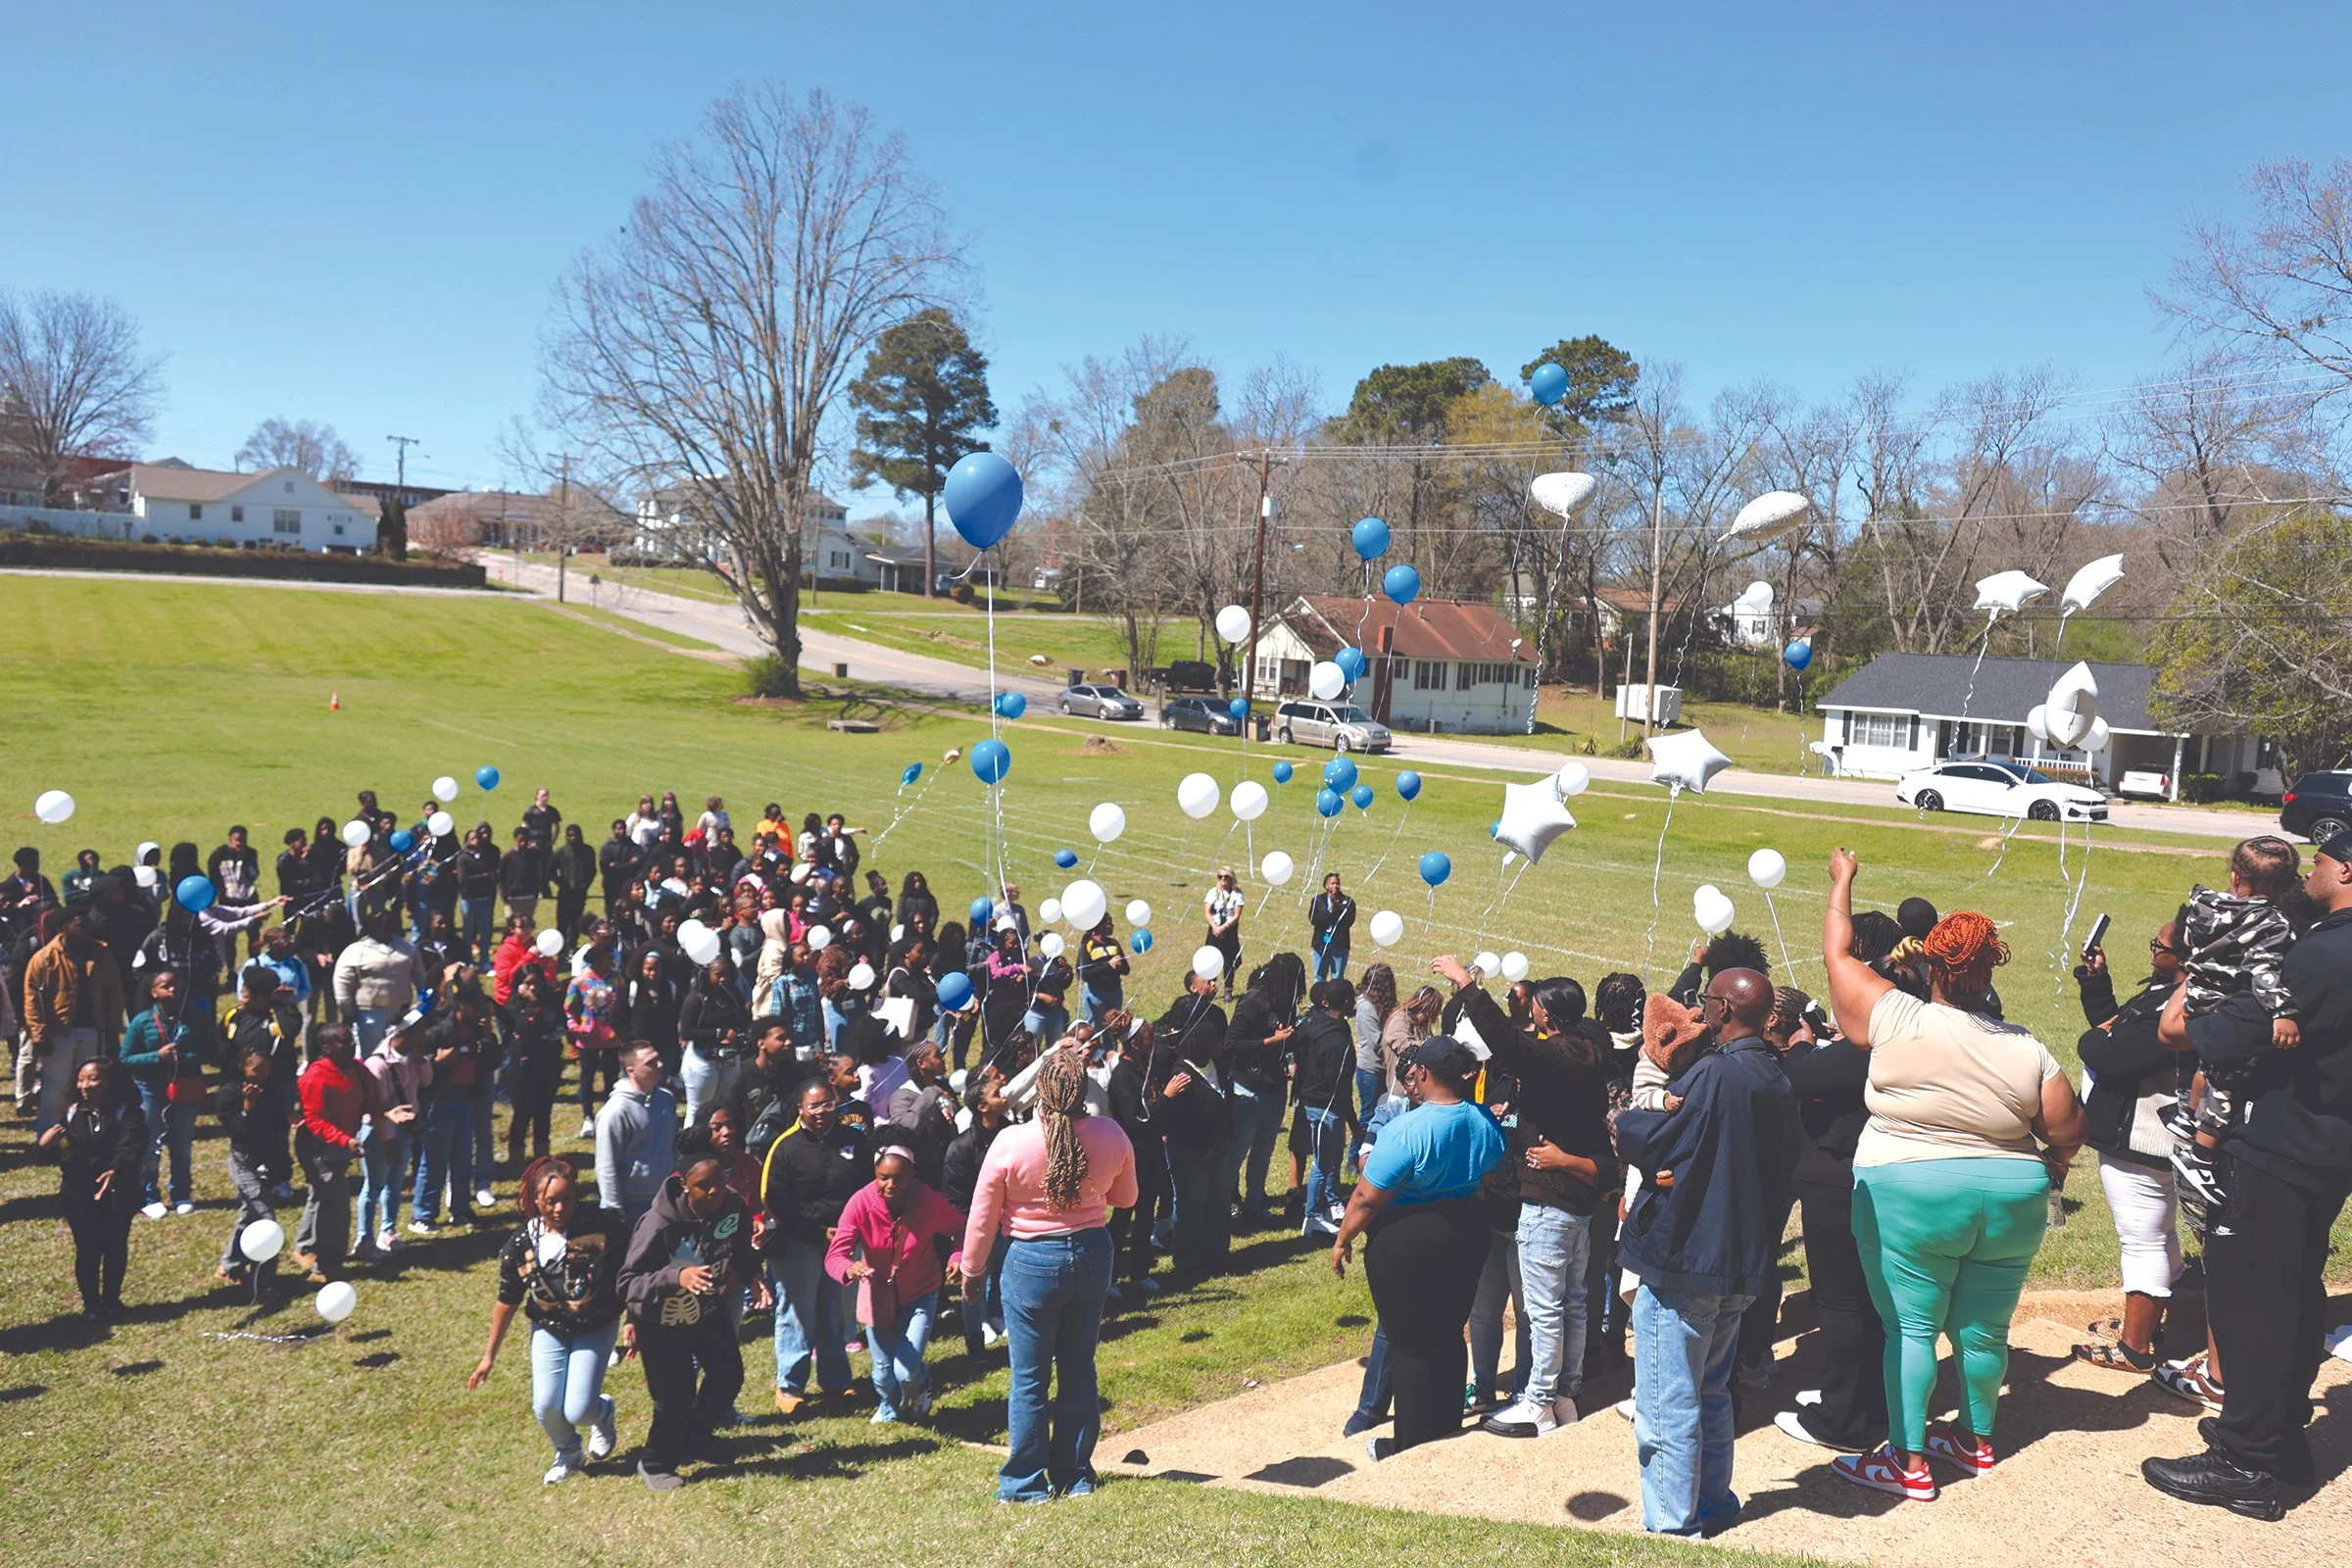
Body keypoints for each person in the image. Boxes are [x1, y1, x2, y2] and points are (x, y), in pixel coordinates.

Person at [1820, 848, 2082, 1503]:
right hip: (2014, 1196)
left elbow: (1838, 955)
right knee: (1985, 1329)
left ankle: (1908, 1464)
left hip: (1909, 1190)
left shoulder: (1895, 1013)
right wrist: (2055, 1166)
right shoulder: (2027, 1045)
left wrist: (1844, 881)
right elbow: (2069, 1125)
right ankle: (1975, 1441)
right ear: (1992, 968)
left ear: (1932, 963)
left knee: (1910, 1329)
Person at [2143, 830, 2352, 1519]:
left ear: (2346, 870)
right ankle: (2275, 1439)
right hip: (2327, 1147)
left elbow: (2203, 1034)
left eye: (2321, 859)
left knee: (2251, 1306)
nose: (2310, 868)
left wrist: (2188, 997)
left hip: (2278, 1148)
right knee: (2291, 1297)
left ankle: (2247, 1463)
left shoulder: (2322, 952)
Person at [1610, 966, 1801, 1536]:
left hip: (1689, 1256)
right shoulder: (1776, 1074)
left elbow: (1658, 1137)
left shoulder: (1715, 1073)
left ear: (1722, 1010)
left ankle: (1672, 1526)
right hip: (1742, 1260)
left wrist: (1626, 1122)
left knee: (1668, 1404)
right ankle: (1713, 1502)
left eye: (1705, 1003)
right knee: (1712, 1393)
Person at [1438, 960, 1615, 1440]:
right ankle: (1566, 1395)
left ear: (1550, 1017)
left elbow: (1510, 1045)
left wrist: (1468, 987)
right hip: (1579, 1202)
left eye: (1535, 1007)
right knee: (1575, 1303)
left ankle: (1537, 1401)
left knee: (1543, 1309)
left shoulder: (1554, 1055)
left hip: (1548, 1201)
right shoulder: (1592, 1048)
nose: (1530, 1014)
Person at [962, 1047, 1138, 1501]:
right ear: (1084, 1089)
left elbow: (982, 1217)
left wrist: (972, 1270)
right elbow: (1127, 1198)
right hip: (1092, 1253)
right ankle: (1075, 1474)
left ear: (1039, 1088)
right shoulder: (1110, 1133)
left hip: (1030, 1261)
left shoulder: (1010, 1141)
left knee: (1029, 1377)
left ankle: (1024, 1483)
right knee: (1079, 1369)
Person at [1331, 1035, 1503, 1458]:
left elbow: (1367, 1197)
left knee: (1409, 1342)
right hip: (1467, 1229)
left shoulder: (1405, 1129)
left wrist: (1342, 1239)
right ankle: (1444, 1424)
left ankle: (1408, 1441)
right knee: (1447, 1333)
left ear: (1422, 1073)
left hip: (1407, 1238)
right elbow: (1493, 1172)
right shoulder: (1483, 1120)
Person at [2068, 913, 2186, 1373]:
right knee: (2159, 1232)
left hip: (2144, 1136)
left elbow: (2114, 1053)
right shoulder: (2168, 990)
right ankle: (2149, 1320)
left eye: (2158, 945)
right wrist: (2097, 983)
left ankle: (2135, 1346)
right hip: (2153, 1134)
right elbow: (2117, 1026)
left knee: (2142, 1240)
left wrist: (2093, 1039)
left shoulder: (2179, 1002)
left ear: (2186, 956)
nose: (2153, 950)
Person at [1774, 988, 1887, 1453]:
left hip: (1840, 1180)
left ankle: (1840, 1421)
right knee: (1869, 1300)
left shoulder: (1866, 1049)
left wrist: (1802, 1042)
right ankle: (1865, 1403)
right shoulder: (1898, 1039)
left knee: (1841, 1303)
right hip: (1874, 1177)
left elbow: (1805, 1075)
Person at [2167, 837, 2302, 1227]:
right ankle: (2200, 1157)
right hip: (2227, 1005)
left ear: (2233, 874)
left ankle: (2186, 1114)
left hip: (2196, 997)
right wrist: (2282, 1013)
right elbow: (2263, 971)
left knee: (2201, 1063)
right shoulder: (2271, 923)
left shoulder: (2202, 904)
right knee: (2227, 1076)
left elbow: (2187, 946)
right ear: (2282, 887)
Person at [467, 1157, 628, 1484]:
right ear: (535, 1199)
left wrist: (634, 1316)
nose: (559, 1208)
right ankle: (568, 1451)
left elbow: (631, 1265)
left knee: (579, 1409)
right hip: (549, 1326)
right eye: (550, 1200)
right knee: (546, 1405)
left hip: (595, 1324)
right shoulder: (521, 1244)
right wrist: (488, 1357)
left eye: (567, 1199)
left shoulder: (600, 1225)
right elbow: (507, 1300)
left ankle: (602, 1412)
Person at [619, 1152, 767, 1492]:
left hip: (706, 1310)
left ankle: (695, 1439)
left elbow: (739, 1249)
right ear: (685, 1186)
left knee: (729, 1375)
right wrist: (676, 1277)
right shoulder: (657, 1224)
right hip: (661, 1322)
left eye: (719, 1181)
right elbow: (626, 1282)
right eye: (703, 1186)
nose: (714, 1191)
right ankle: (656, 1462)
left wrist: (754, 1277)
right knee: (675, 1396)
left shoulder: (731, 1205)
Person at [828, 1140, 966, 1422]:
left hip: (921, 1291)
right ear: (875, 1175)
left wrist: (957, 1258)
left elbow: (961, 1228)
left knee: (905, 1369)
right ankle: (890, 1408)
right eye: (883, 1178)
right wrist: (849, 1268)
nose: (891, 1184)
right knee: (881, 1372)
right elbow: (835, 1254)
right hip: (877, 1293)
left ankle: (922, 1380)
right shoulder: (861, 1202)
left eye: (899, 1178)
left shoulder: (928, 1201)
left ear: (912, 1175)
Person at [760, 1078, 868, 1414]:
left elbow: (865, 1186)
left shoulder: (853, 1140)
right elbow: (775, 1200)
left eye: (827, 1104)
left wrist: (850, 1230)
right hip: (799, 1243)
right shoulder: (786, 1147)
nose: (822, 1112)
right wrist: (817, 1231)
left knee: (833, 1312)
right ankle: (790, 1385)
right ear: (800, 1109)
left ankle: (836, 1380)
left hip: (842, 1243)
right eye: (814, 1106)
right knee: (797, 1314)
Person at [39, 1059, 146, 1320]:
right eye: (81, 1080)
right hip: (78, 1194)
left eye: (93, 1079)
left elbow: (132, 1145)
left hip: (117, 1193)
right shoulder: (73, 1112)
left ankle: (111, 1301)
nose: (85, 1085)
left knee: (114, 1245)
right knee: (87, 1248)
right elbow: (64, 1155)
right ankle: (91, 1306)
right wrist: (46, 1145)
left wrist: (116, 1170)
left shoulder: (127, 1112)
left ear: (109, 1081)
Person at [118, 968, 218, 1218]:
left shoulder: (195, 1017)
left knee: (182, 1143)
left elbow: (211, 1051)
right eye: (165, 986)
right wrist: (157, 1057)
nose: (172, 990)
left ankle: (181, 1193)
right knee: (151, 1143)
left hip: (185, 1086)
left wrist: (185, 1058)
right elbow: (125, 1058)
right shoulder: (142, 1021)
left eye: (175, 985)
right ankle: (149, 1195)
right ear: (153, 992)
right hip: (150, 1089)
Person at [24, 905, 125, 1135]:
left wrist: (111, 1030)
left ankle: (88, 1134)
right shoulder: (44, 958)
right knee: (55, 1087)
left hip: (93, 1030)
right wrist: (39, 1034)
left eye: (87, 925)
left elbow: (114, 993)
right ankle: (47, 1136)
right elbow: (32, 999)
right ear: (63, 928)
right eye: (79, 925)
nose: (85, 930)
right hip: (59, 1034)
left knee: (92, 1087)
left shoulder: (101, 953)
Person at [1222, 953, 1303, 1229]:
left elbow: (1288, 1041)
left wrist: (1288, 1055)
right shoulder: (1251, 1003)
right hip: (1247, 1089)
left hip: (1275, 1088)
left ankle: (1254, 1206)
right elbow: (1231, 1044)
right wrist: (1271, 1041)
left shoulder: (1286, 1005)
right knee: (1237, 1153)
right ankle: (1225, 1203)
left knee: (1263, 1153)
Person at [214, 1041, 291, 1303]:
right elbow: (238, 1131)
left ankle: (230, 1264)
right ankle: (264, 1284)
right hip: (243, 1161)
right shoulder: (228, 1094)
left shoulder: (273, 1090)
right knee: (266, 1220)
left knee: (249, 1215)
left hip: (266, 1159)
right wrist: (247, 1107)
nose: (263, 1074)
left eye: (266, 1069)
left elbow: (279, 1126)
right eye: (257, 1069)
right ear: (242, 1068)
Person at [413, 982, 495, 1232]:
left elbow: (493, 1061)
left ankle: (460, 1209)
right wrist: (436, 1063)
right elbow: (416, 1062)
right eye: (477, 1005)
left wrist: (489, 1034)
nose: (481, 1010)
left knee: (462, 1159)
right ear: (463, 1006)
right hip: (440, 1101)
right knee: (434, 1160)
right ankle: (422, 1215)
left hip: (466, 1099)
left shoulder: (478, 1031)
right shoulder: (440, 1032)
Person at [294, 1023, 369, 1283]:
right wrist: (344, 1140)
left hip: (340, 1146)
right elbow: (313, 1119)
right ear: (326, 1048)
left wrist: (386, 1111)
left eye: (350, 1040)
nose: (351, 1045)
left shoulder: (355, 1069)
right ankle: (323, 1265)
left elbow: (370, 1097)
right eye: (344, 1041)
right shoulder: (316, 1076)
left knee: (321, 1196)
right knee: (334, 1205)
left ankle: (305, 1247)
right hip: (318, 1148)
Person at [1292, 978, 1360, 1236]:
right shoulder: (1339, 1043)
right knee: (1322, 1164)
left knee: (1329, 1161)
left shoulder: (1315, 1024)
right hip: (1325, 1108)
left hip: (1313, 1103)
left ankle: (1327, 1205)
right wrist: (1353, 1123)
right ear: (1346, 1002)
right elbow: (1340, 1087)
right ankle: (1312, 1217)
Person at [355, 1019, 426, 1258]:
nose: (423, 1038)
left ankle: (388, 1231)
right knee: (373, 1186)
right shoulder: (378, 1064)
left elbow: (426, 1081)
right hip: (378, 1132)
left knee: (395, 1183)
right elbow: (377, 1109)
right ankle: (364, 1239)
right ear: (401, 1034)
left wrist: (422, 1062)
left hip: (403, 1130)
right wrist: (389, 1142)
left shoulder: (411, 1058)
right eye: (418, 1033)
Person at [595, 1042, 677, 1223]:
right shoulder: (615, 1111)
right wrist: (614, 1211)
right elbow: (606, 1165)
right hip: (632, 1204)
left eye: (658, 1059)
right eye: (651, 1063)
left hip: (665, 1197)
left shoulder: (666, 1098)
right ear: (630, 1071)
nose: (660, 1065)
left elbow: (673, 1146)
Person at [499, 962, 566, 1167]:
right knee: (522, 1113)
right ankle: (516, 1160)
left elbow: (560, 1025)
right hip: (523, 1068)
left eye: (536, 983)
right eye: (527, 984)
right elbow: (523, 1030)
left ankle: (541, 1159)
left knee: (543, 1113)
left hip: (548, 1064)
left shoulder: (551, 1003)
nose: (533, 988)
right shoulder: (511, 1008)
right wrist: (530, 1006)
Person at [332, 912, 426, 1056]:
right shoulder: (356, 951)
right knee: (371, 1056)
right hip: (369, 1014)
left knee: (399, 1055)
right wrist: (347, 1010)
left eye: (389, 926)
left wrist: (423, 1000)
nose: (386, 930)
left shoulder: (407, 949)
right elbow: (342, 981)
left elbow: (420, 977)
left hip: (401, 1012)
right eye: (382, 927)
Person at [677, 956, 751, 1128]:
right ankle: (691, 1146)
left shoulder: (733, 994)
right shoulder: (696, 999)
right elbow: (687, 1032)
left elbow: (742, 1020)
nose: (723, 979)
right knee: (698, 1108)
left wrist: (737, 1036)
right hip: (703, 1060)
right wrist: (720, 1033)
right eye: (718, 974)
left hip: (729, 1059)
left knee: (724, 1107)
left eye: (727, 974)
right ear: (707, 974)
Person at [564, 945, 621, 1140]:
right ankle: (588, 1117)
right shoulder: (580, 982)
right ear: (596, 960)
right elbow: (568, 1007)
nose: (610, 962)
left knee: (611, 1077)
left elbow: (623, 1002)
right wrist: (574, 1027)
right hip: (588, 1036)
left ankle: (609, 1114)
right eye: (607, 958)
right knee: (587, 1077)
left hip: (611, 1036)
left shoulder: (616, 979)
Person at [1353, 962, 1396, 1124]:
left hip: (1384, 1069)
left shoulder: (1384, 1003)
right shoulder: (1366, 1007)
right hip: (1370, 1072)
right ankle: (1357, 1150)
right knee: (1367, 1119)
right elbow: (1376, 1042)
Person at [1075, 916, 1128, 1027]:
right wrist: (1108, 965)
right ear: (1100, 925)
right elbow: (1084, 974)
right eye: (1109, 923)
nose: (1112, 926)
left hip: (1115, 994)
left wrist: (1119, 966)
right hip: (1095, 995)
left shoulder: (1114, 944)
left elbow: (1126, 970)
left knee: (1113, 1030)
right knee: (1093, 1031)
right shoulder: (1088, 945)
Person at [1201, 867, 1245, 1000]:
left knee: (1229, 961)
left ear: (1232, 878)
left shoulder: (1237, 894)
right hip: (1213, 931)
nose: (1222, 879)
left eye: (1226, 877)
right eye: (1220, 877)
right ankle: (1209, 988)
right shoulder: (1213, 892)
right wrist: (1215, 927)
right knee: (1211, 960)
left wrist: (1223, 928)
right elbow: (1207, 911)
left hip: (1229, 931)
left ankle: (1228, 990)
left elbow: (1236, 915)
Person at [551, 823, 597, 944]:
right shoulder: (561, 852)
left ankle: (572, 945)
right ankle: (560, 947)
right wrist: (560, 882)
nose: (573, 838)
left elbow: (592, 870)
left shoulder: (587, 851)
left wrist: (585, 884)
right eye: (570, 835)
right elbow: (550, 871)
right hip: (565, 893)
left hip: (580, 893)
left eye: (575, 835)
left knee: (576, 921)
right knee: (562, 922)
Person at [1307, 873, 1356, 983]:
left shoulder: (1348, 902)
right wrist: (1329, 913)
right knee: (1319, 978)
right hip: (1321, 946)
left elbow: (1349, 921)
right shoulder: (1318, 900)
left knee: (1337, 979)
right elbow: (1314, 919)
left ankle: (1335, 1000)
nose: (1335, 886)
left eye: (1337, 883)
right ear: (1326, 885)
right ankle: (1318, 1000)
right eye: (1332, 883)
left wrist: (1337, 908)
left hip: (1339, 947)